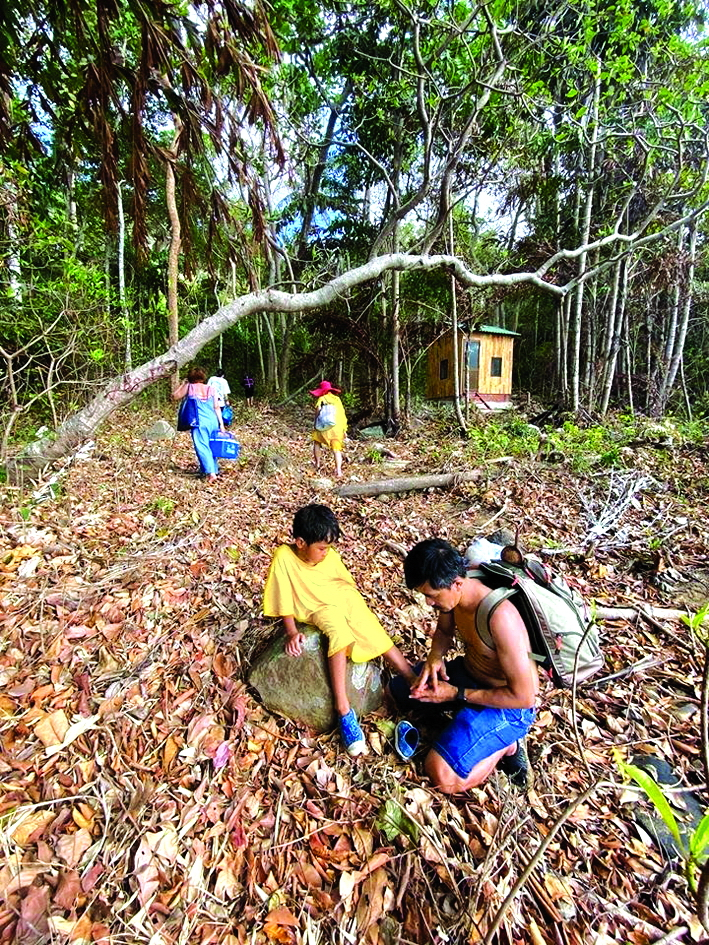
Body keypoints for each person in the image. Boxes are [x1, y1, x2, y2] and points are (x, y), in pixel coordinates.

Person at [263, 504, 416, 756]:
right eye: (321, 548)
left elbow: (344, 583)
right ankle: (344, 710)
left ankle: (410, 677)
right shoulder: (284, 557)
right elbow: (283, 599)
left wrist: (351, 604)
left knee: (369, 625)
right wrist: (291, 632)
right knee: (340, 634)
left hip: (340, 597)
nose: (327, 553)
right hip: (316, 606)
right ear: (301, 542)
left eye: (329, 547)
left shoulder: (328, 555)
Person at [389, 538, 538, 793]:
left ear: (457, 584)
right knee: (400, 689)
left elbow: (525, 696)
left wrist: (456, 693)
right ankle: (462, 720)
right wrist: (435, 658)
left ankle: (508, 745)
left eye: (432, 596)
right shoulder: (454, 594)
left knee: (442, 776)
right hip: (469, 676)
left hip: (508, 704)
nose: (428, 603)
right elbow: (445, 632)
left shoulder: (502, 619)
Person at [173, 367, 225, 484]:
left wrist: (182, 384)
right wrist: (221, 424)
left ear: (190, 377)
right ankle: (212, 470)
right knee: (211, 446)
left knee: (202, 446)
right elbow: (217, 407)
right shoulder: (211, 389)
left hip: (199, 421)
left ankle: (211, 474)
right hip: (213, 421)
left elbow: (175, 396)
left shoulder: (189, 387)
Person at [310, 380, 347, 479]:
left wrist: (315, 423)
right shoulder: (337, 400)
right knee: (336, 449)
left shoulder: (322, 399)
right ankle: (338, 471)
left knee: (316, 441)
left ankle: (317, 464)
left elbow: (317, 411)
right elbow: (342, 415)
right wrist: (344, 429)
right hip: (337, 427)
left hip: (324, 426)